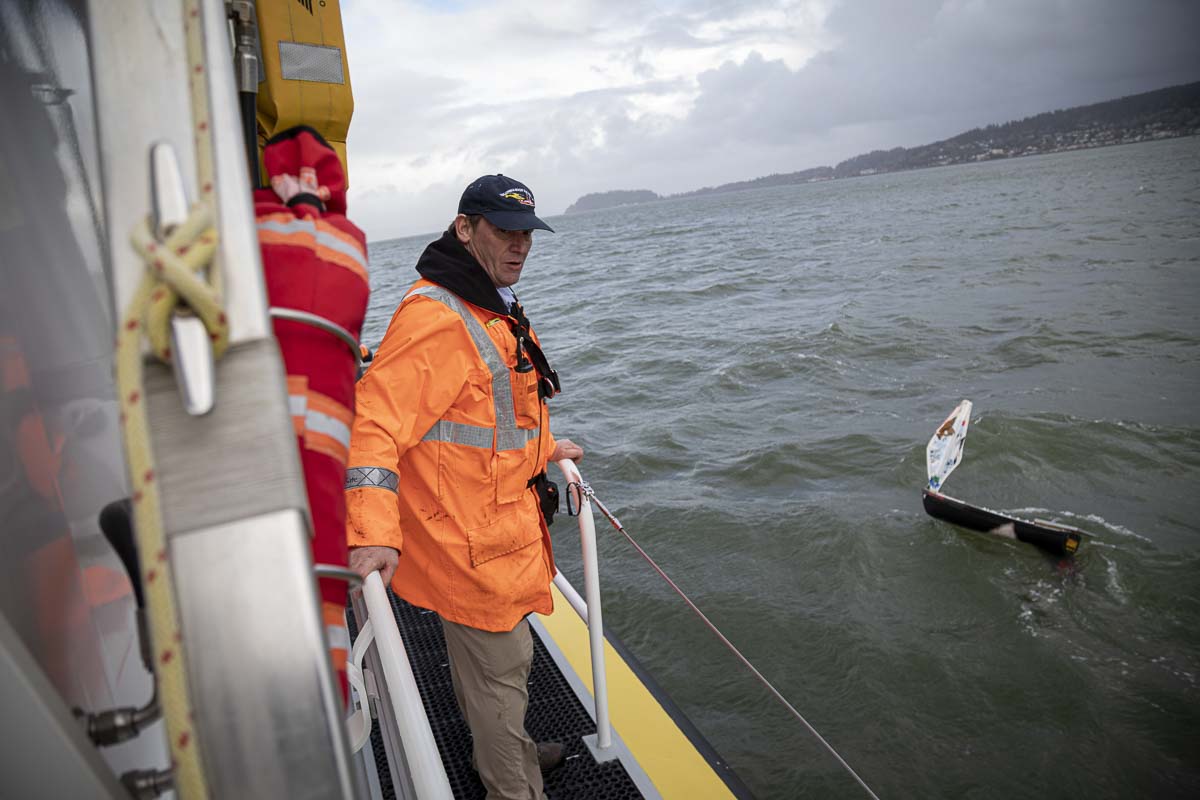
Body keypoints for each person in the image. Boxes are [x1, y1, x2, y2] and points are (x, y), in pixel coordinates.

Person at [345, 174, 582, 800]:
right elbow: (372, 425)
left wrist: (550, 449)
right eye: (504, 231)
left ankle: (515, 753)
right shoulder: (439, 318)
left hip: (501, 539)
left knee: (499, 677)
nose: (520, 246)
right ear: (464, 228)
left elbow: (488, 416)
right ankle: (513, 781)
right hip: (474, 552)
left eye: (527, 234)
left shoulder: (484, 305)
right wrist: (372, 532)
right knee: (501, 682)